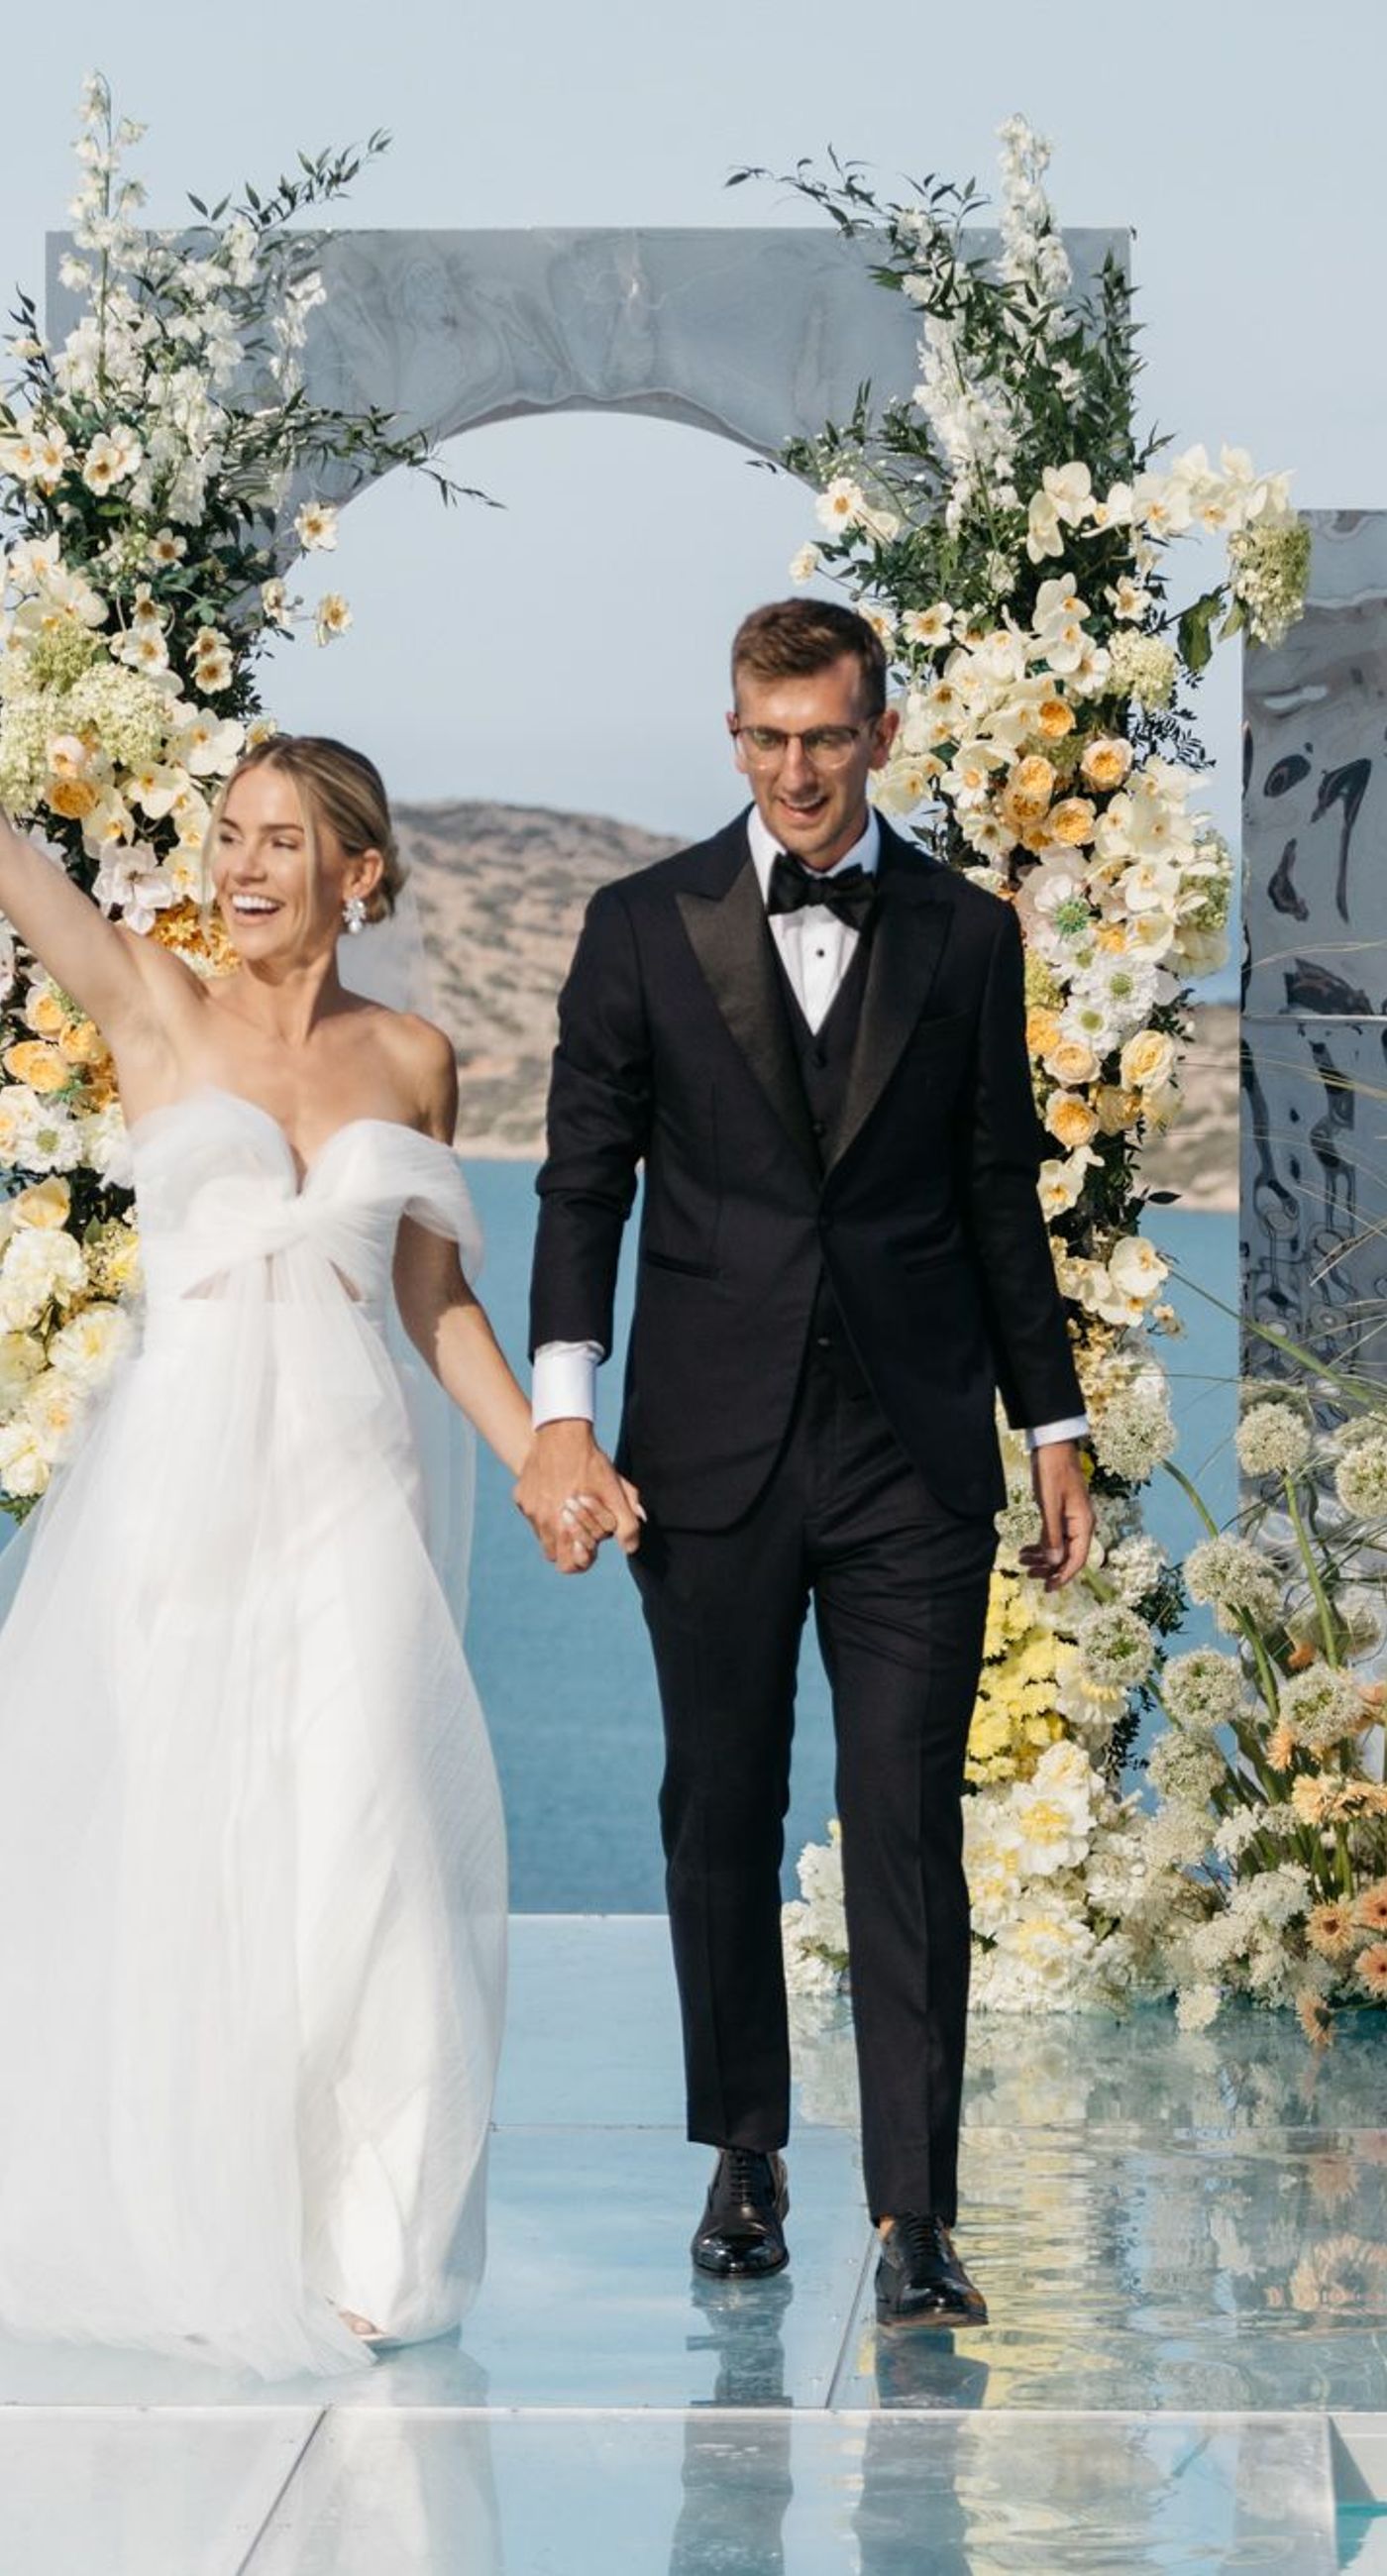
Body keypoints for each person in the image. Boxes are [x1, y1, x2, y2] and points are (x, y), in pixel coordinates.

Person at [0, 736, 610, 2378]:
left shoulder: (413, 1057)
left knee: (375, 1827)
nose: (244, 866)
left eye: (281, 840)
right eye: (229, 835)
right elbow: (19, 874)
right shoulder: (152, 1002)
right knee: (194, 1841)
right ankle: (195, 2221)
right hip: (175, 1494)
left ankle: (374, 2251)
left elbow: (436, 1301)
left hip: (351, 1484)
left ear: (360, 873)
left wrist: (547, 1459)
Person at [518, 599, 1093, 2328]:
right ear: (734, 735)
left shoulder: (967, 934)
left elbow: (997, 1193)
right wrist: (563, 1411)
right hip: (709, 1451)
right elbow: (583, 1183)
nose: (797, 771)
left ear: (881, 734)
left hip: (915, 1452)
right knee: (720, 1806)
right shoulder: (640, 925)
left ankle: (917, 2215)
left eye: (827, 737)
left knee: (908, 1819)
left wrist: (1052, 1426)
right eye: (767, 739)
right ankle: (745, 2154)